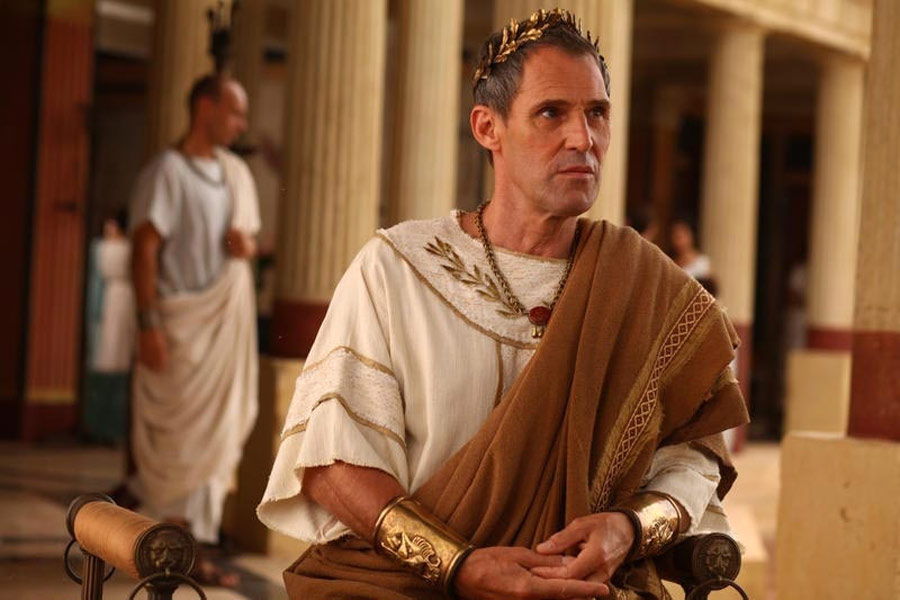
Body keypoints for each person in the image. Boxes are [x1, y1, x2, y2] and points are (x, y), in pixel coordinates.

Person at [258, 9, 748, 599]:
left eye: (597, 113)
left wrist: (630, 527)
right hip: (408, 588)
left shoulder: (648, 289)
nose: (583, 138)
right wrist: (460, 567)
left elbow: (695, 456)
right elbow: (333, 463)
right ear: (488, 127)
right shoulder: (397, 270)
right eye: (551, 113)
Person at [127, 73, 261, 586]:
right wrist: (148, 325)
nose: (241, 124)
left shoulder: (236, 174)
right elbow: (144, 250)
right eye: (235, 112)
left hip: (221, 330)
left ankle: (192, 551)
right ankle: (167, 550)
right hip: (180, 326)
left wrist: (245, 248)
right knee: (176, 446)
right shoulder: (166, 172)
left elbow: (248, 243)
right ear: (206, 107)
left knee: (218, 438)